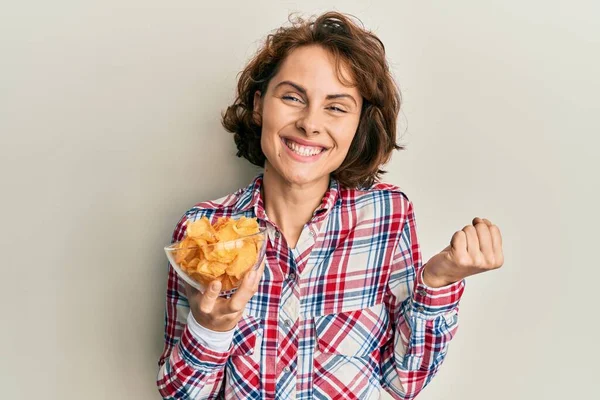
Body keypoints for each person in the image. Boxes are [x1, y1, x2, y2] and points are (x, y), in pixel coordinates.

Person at [156, 11, 504, 400]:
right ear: (259, 106)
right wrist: (209, 329)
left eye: (336, 107)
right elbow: (181, 396)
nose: (310, 123)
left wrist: (438, 281)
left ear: (358, 125)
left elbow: (404, 382)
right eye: (292, 97)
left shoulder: (388, 216)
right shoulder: (203, 231)